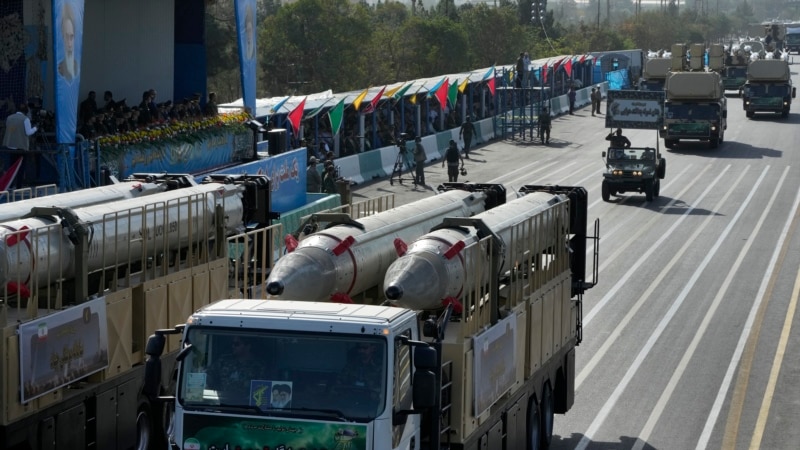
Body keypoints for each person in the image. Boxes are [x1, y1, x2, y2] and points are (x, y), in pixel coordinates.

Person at [207, 337, 268, 404]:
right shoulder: (224, 361)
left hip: (248, 407)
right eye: (232, 344)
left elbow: (262, 389)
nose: (233, 346)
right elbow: (208, 376)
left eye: (237, 344)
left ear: (248, 346)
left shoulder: (258, 366)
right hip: (223, 404)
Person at [57, 3, 79, 82]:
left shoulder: (77, 66)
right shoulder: (59, 67)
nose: (69, 44)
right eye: (66, 37)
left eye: (71, 37)